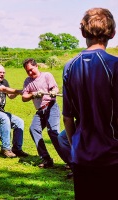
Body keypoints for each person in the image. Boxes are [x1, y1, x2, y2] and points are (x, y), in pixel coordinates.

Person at [63, 7, 118, 200]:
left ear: (83, 32)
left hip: (82, 157)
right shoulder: (115, 65)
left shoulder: (69, 66)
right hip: (112, 157)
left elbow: (68, 117)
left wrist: (74, 147)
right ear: (112, 32)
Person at [22, 58, 64, 168]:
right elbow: (24, 97)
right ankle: (46, 159)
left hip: (51, 107)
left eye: (31, 69)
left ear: (36, 66)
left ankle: (70, 161)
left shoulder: (46, 75)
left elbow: (55, 88)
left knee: (53, 133)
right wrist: (34, 94)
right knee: (34, 129)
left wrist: (53, 92)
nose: (30, 73)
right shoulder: (27, 81)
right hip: (40, 111)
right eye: (27, 71)